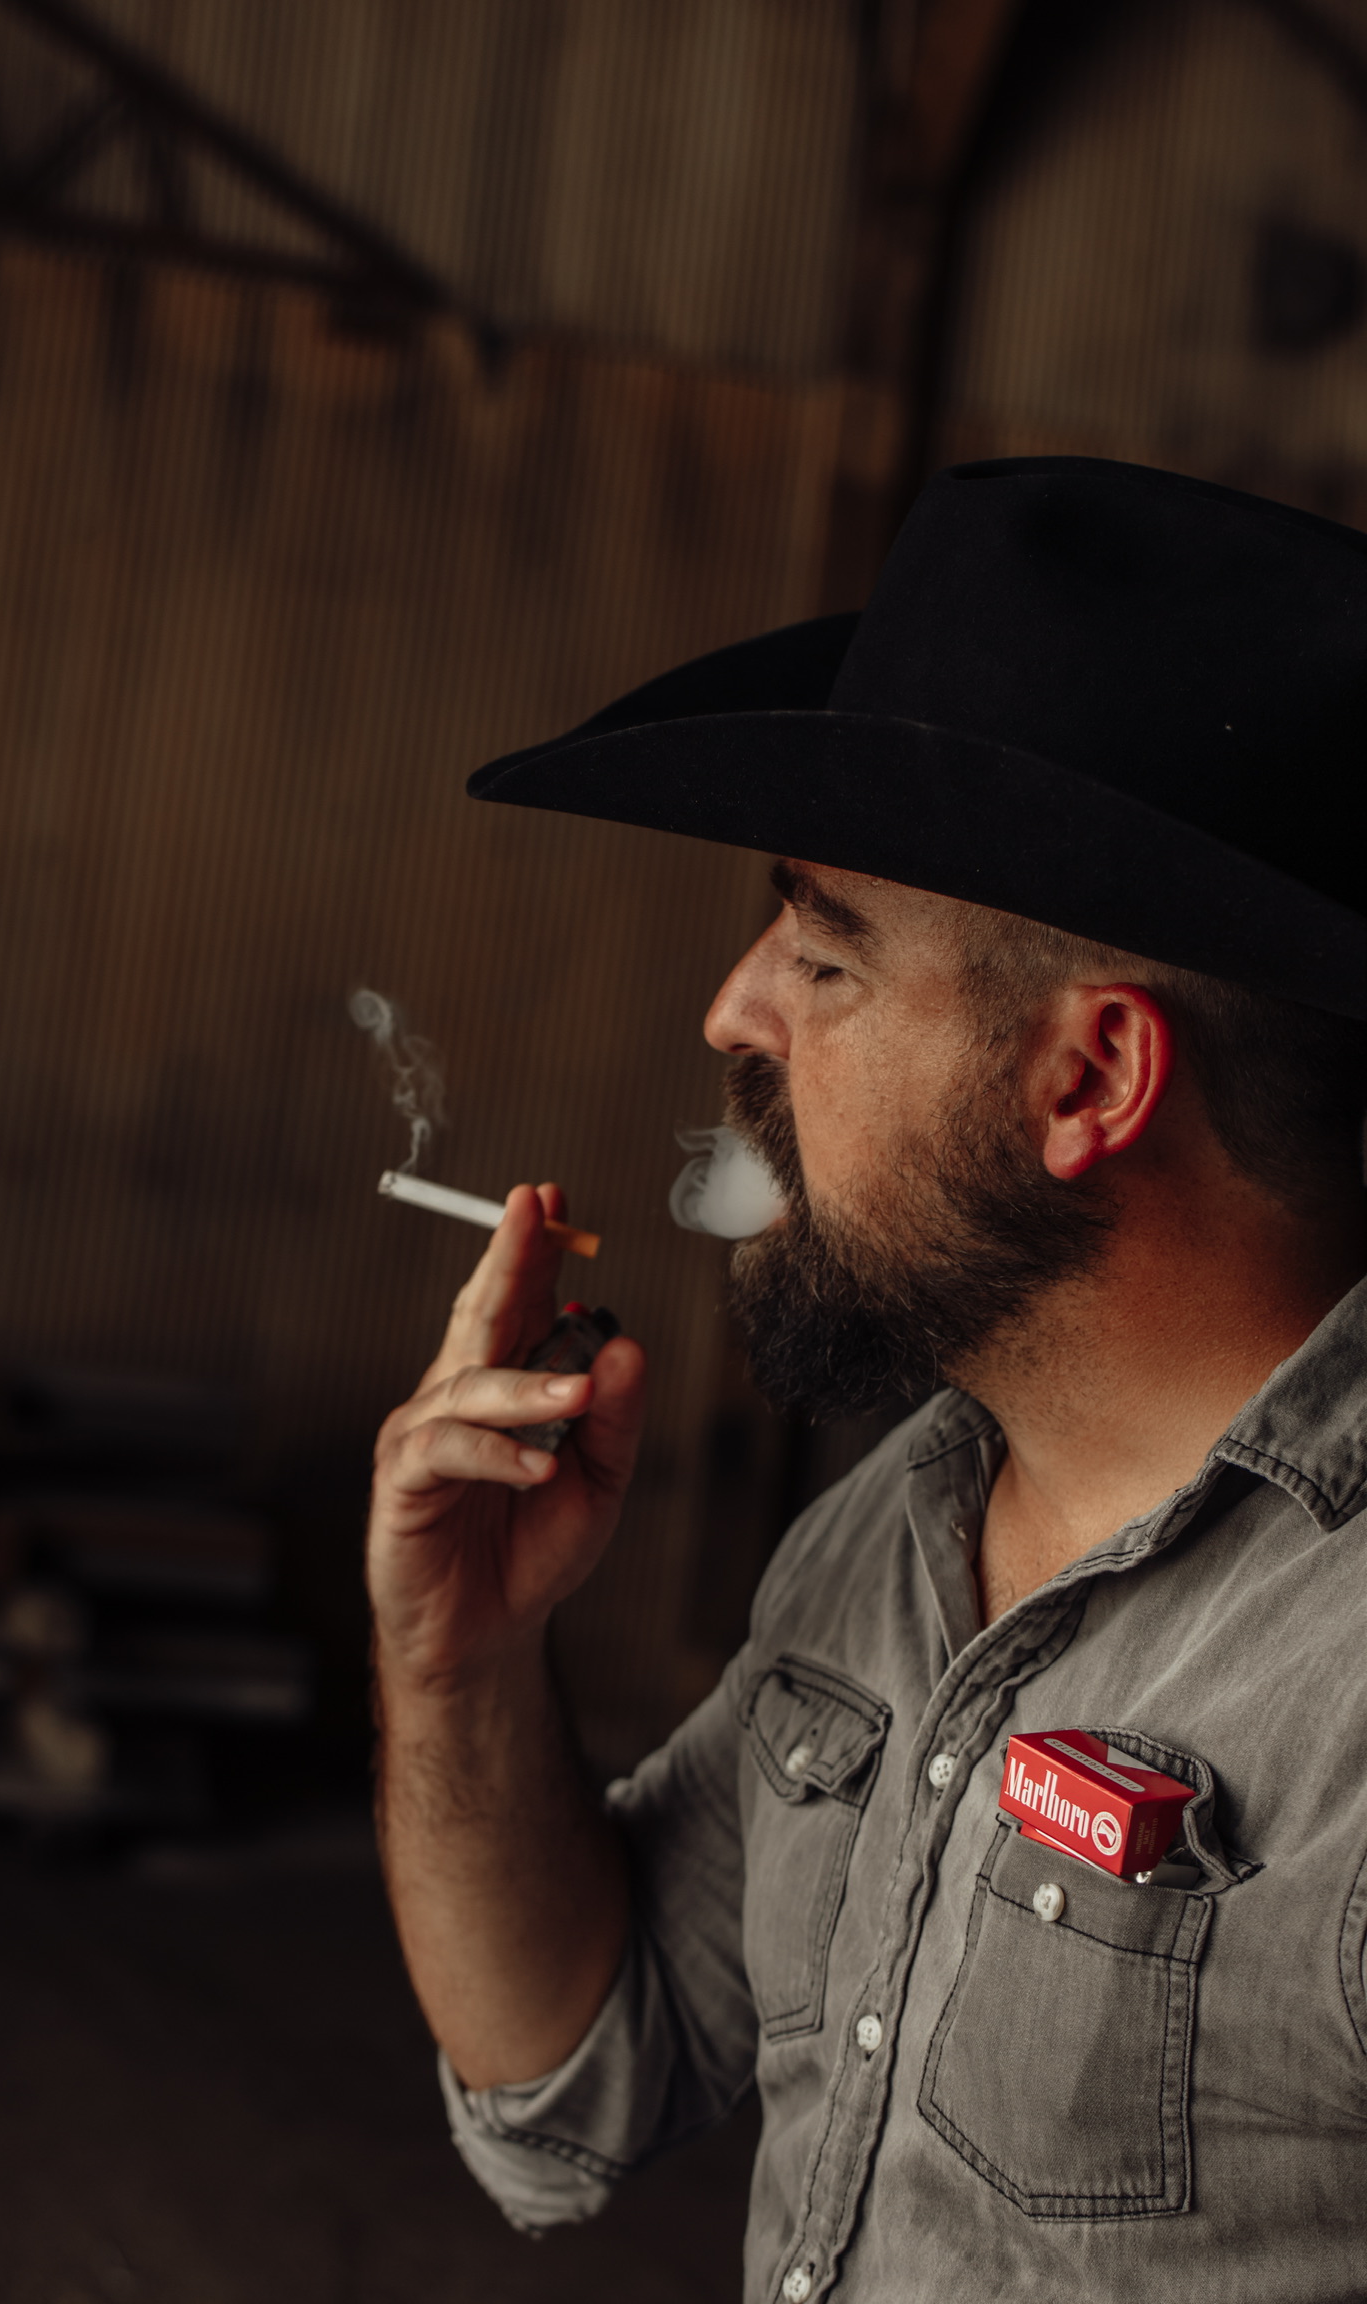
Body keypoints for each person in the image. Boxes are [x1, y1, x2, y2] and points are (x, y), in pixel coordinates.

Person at [366, 458, 1367, 2299]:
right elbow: (577, 2069)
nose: (734, 1009)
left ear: (1091, 1080)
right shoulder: (900, 1519)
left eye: (824, 956)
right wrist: (459, 1665)